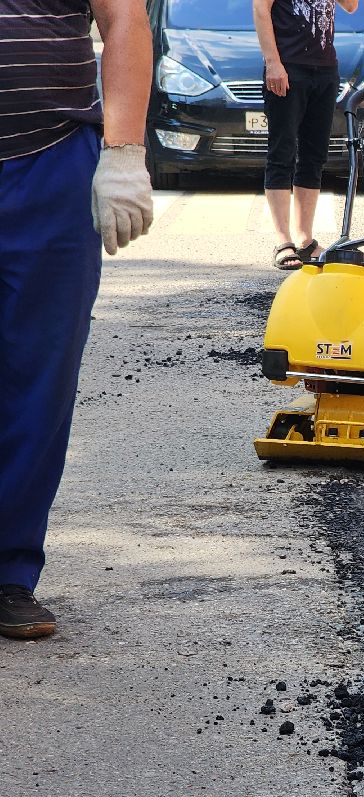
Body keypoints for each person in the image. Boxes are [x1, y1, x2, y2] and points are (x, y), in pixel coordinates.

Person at [0, 0, 153, 640]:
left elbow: (123, 19)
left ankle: (8, 572)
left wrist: (124, 153)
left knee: (39, 374)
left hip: (50, 164)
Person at [253, 0, 359, 270]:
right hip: (289, 65)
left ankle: (305, 239)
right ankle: (283, 240)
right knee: (282, 152)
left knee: (314, 155)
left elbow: (351, 7)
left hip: (324, 69)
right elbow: (260, 9)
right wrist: (273, 62)